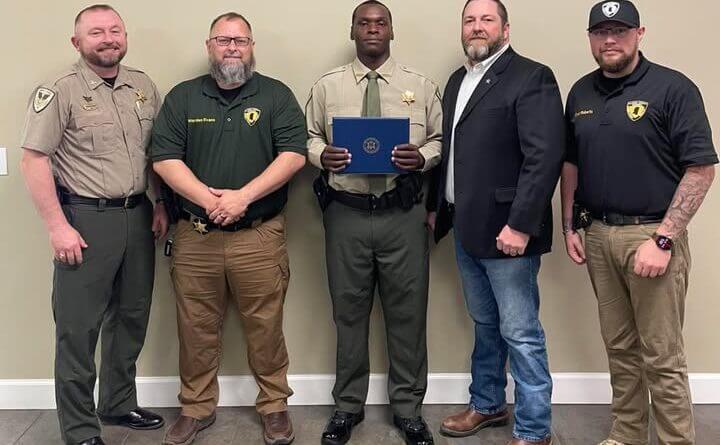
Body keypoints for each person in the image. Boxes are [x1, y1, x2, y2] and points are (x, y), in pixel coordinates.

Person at [561, 2, 717, 444]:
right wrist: (569, 225)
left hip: (651, 236)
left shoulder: (673, 88)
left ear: (639, 34)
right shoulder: (581, 93)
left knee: (662, 355)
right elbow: (570, 163)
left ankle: (675, 440)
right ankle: (627, 433)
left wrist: (663, 240)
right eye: (600, 32)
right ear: (590, 38)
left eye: (620, 30)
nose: (610, 39)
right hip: (597, 236)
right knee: (620, 348)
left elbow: (701, 170)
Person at [151, 12, 307, 445]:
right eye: (223, 40)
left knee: (266, 326)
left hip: (259, 235)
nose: (232, 47)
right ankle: (195, 408)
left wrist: (243, 198)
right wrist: (210, 200)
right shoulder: (183, 97)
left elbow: (294, 155)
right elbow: (164, 158)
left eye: (240, 40)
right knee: (195, 328)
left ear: (251, 46)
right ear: (209, 46)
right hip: (195, 236)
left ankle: (274, 406)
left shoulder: (276, 95)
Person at [19, 4, 168, 445]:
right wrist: (57, 227)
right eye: (97, 32)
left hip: (138, 215)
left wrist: (161, 203)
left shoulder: (143, 86)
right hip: (85, 219)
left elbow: (155, 154)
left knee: (131, 317)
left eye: (115, 30)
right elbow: (34, 160)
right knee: (78, 329)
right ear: (77, 42)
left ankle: (118, 403)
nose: (108, 39)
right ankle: (80, 428)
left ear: (125, 36)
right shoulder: (59, 91)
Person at [428, 1, 565, 444]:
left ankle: (535, 428)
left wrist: (521, 224)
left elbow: (544, 156)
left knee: (521, 333)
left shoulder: (531, 76)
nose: (477, 27)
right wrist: (436, 207)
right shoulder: (457, 80)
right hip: (466, 227)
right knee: (486, 325)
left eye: (487, 19)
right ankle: (487, 404)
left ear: (505, 29)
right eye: (469, 20)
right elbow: (451, 153)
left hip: (509, 232)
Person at [305, 1, 442, 444]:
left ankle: (409, 409)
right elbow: (309, 137)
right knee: (348, 314)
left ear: (391, 31)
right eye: (363, 23)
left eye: (380, 22)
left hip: (402, 214)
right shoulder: (327, 86)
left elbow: (440, 140)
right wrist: (320, 155)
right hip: (346, 214)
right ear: (352, 31)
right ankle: (347, 406)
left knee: (408, 314)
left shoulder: (420, 86)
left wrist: (422, 157)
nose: (372, 29)